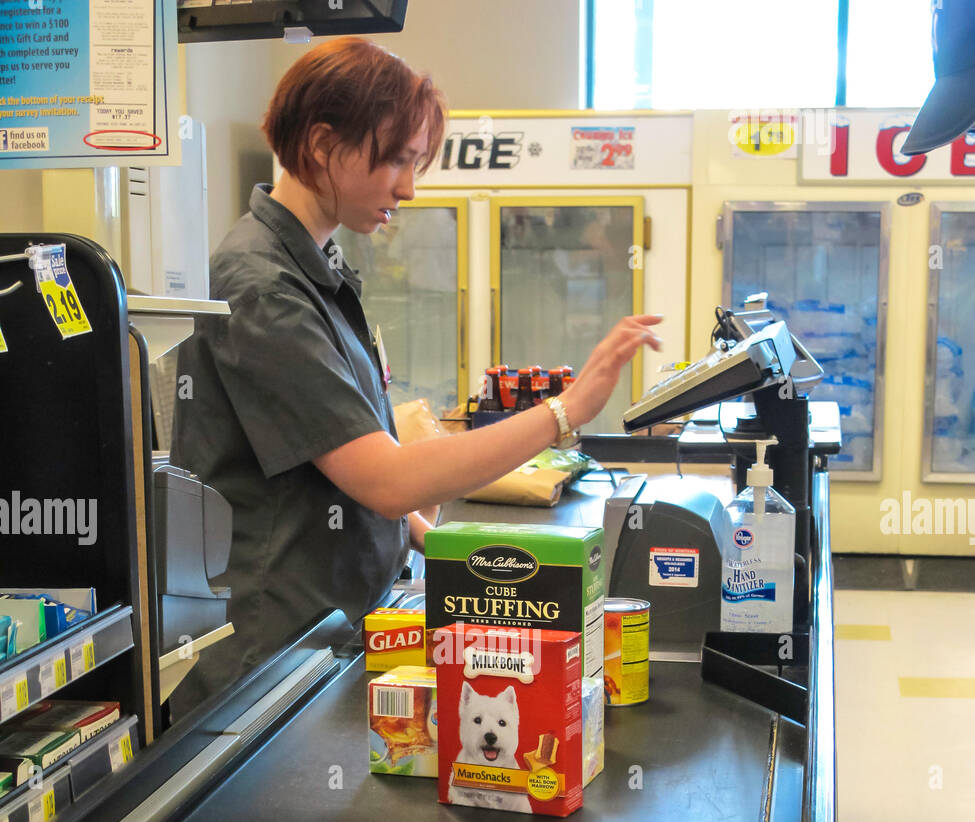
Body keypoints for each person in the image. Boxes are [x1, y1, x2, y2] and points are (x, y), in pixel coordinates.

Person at [169, 37, 662, 712]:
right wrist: (563, 413)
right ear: (321, 145)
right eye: (395, 159)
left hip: (334, 627)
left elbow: (343, 455)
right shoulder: (261, 285)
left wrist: (441, 546)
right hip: (275, 658)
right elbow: (387, 480)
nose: (407, 186)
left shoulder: (319, 269)